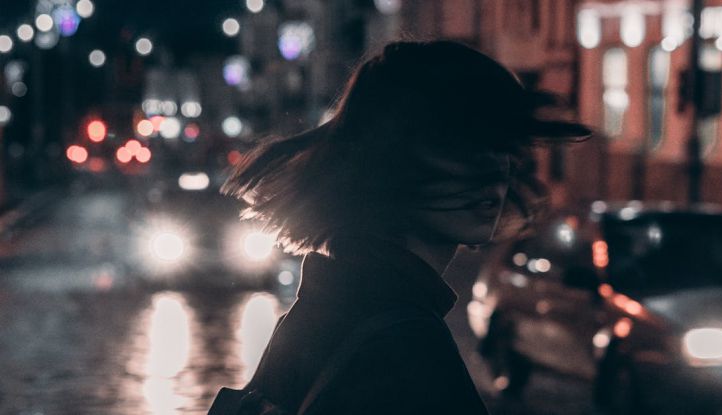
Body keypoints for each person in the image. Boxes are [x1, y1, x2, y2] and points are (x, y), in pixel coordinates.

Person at [217, 40, 590, 414]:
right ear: (390, 157)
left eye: (499, 143)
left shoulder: (331, 303)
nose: (493, 168)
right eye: (456, 143)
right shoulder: (404, 343)